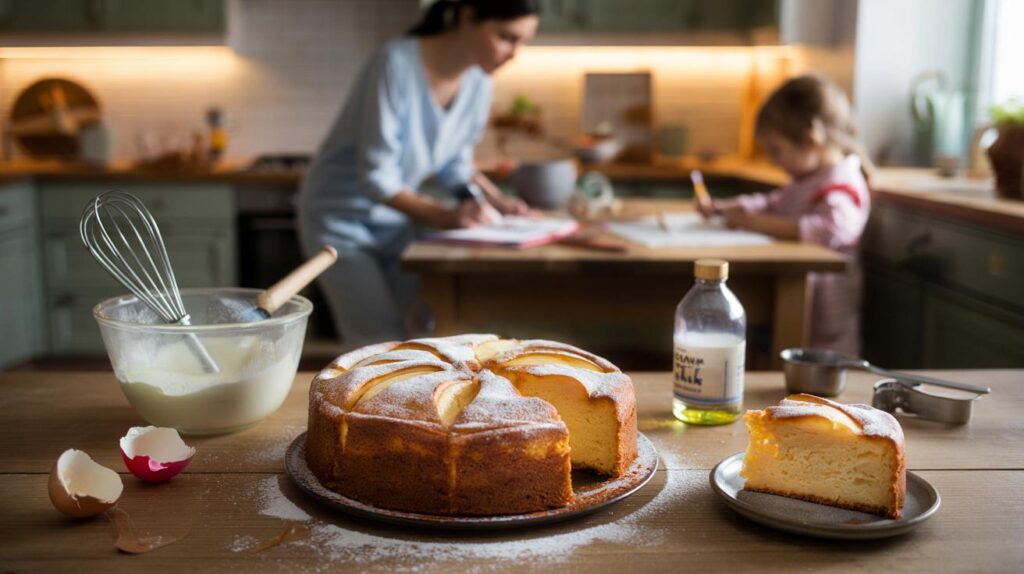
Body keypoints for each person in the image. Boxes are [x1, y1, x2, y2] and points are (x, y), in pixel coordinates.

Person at [299, 0, 540, 348]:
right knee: (376, 340)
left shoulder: (478, 82)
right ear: (468, 15)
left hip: (397, 221)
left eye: (522, 42)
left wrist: (500, 202)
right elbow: (377, 178)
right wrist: (446, 216)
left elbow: (455, 166)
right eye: (506, 37)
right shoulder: (394, 64)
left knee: (418, 331)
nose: (514, 53)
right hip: (339, 220)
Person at [699, 75, 873, 355]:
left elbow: (830, 230)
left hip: (827, 320)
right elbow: (773, 202)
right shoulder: (807, 179)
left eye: (777, 150)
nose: (773, 160)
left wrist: (754, 222)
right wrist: (729, 207)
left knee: (825, 371)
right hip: (797, 302)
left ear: (811, 138)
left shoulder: (843, 183)